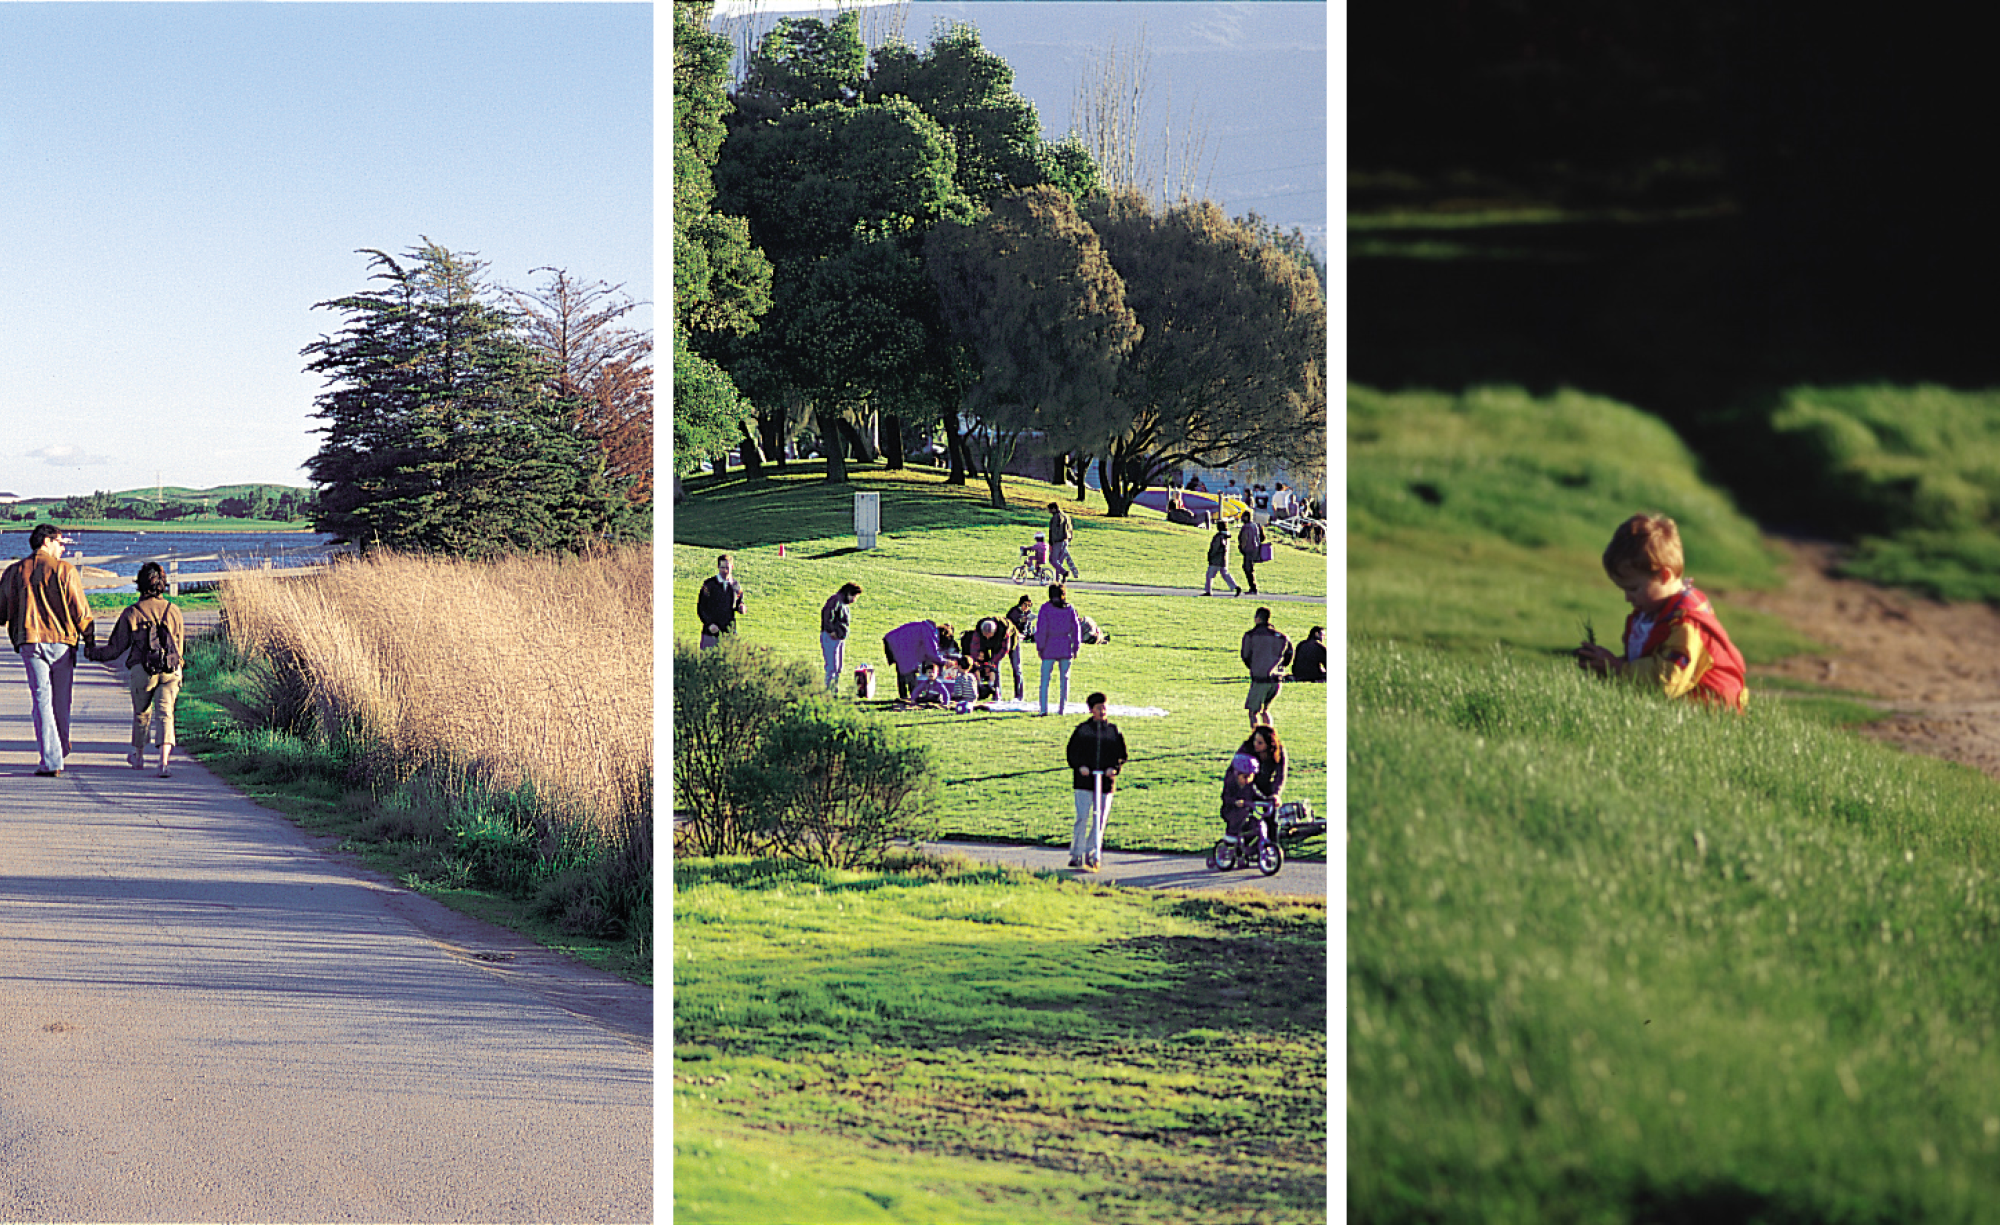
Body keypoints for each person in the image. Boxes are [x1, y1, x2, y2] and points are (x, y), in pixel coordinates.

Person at [1575, 512, 1749, 711]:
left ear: (1664, 575)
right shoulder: (1654, 613)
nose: (1627, 598)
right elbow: (1647, 661)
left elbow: (1668, 679)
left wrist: (1618, 669)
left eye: (1633, 589)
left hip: (1710, 709)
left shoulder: (1685, 623)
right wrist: (1606, 667)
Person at [0, 525, 94, 776]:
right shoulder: (65, 570)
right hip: (62, 642)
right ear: (47, 541)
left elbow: (1, 611)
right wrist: (90, 638)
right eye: (60, 542)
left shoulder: (14, 571)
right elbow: (80, 609)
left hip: (30, 640)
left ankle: (51, 758)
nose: (62, 548)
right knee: (61, 700)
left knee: (41, 699)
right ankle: (59, 747)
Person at [85, 560, 185, 776]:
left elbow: (115, 649)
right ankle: (164, 762)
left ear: (139, 584)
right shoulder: (174, 610)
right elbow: (180, 646)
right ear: (163, 585)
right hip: (170, 669)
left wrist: (92, 652)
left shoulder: (132, 613)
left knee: (142, 713)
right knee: (166, 713)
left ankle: (138, 757)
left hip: (143, 670)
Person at [1064, 692, 1128, 872]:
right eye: (1099, 707)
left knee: (1100, 819)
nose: (1103, 710)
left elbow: (1121, 754)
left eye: (1105, 707)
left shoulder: (1113, 731)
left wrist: (1114, 768)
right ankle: (1076, 853)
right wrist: (1080, 766)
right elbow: (1072, 753)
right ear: (1091, 710)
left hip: (1106, 782)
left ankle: (1093, 853)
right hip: (1084, 781)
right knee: (1082, 817)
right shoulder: (1082, 730)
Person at [1034, 583, 1083, 716]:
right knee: (1064, 679)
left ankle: (1043, 709)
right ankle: (1062, 709)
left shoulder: (1045, 608)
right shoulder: (1070, 609)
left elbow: (1042, 629)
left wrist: (1040, 647)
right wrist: (1076, 647)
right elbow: (1076, 629)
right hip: (1065, 646)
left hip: (1049, 646)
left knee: (1045, 680)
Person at [1241, 606, 1293, 728]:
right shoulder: (1281, 637)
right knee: (1265, 710)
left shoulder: (1251, 635)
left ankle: (1257, 740)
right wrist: (1281, 667)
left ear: (1258, 619)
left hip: (1261, 678)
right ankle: (1271, 738)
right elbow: (1289, 655)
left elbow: (1245, 656)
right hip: (1277, 679)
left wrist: (1255, 667)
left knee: (1253, 712)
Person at [883, 618, 950, 700]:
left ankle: (904, 697)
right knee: (909, 670)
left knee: (902, 672)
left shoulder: (925, 628)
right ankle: (914, 697)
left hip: (891, 640)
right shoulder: (929, 632)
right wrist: (944, 662)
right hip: (899, 645)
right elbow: (931, 652)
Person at [819, 581, 863, 695]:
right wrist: (831, 631)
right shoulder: (835, 600)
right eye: (854, 597)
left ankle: (834, 690)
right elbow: (827, 614)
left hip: (839, 638)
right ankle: (829, 692)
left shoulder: (844, 604)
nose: (854, 600)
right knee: (832, 666)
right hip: (831, 637)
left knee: (838, 667)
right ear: (849, 593)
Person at [1218, 751, 1261, 861]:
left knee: (1256, 825)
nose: (1247, 780)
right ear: (1237, 774)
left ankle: (1250, 849)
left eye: (1250, 777)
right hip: (1231, 812)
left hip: (1246, 814)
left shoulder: (1250, 786)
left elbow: (1257, 795)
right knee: (1238, 819)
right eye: (1244, 777)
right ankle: (1230, 842)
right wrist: (1235, 802)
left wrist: (1268, 799)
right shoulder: (1231, 785)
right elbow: (1226, 797)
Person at [960, 616, 1016, 700]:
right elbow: (974, 647)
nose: (987, 638)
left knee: (1015, 667)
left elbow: (1005, 649)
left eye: (989, 636)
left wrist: (993, 661)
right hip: (995, 643)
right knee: (992, 668)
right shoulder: (978, 631)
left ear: (994, 632)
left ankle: (1017, 696)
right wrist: (975, 661)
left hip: (1011, 640)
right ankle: (992, 693)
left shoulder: (1004, 631)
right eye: (985, 636)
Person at [697, 554, 745, 649]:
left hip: (729, 630)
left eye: (727, 567)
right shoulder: (709, 585)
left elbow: (739, 602)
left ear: (732, 567)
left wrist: (741, 607)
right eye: (722, 567)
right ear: (718, 567)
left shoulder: (736, 586)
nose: (725, 571)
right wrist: (709, 624)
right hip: (710, 632)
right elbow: (701, 608)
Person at [1003, 595, 1035, 701]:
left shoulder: (1029, 614)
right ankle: (997, 693)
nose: (1027, 607)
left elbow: (1027, 630)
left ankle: (1019, 695)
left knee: (1017, 668)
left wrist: (1026, 632)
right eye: (1025, 604)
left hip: (1019, 639)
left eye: (1029, 605)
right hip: (1009, 639)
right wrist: (1020, 622)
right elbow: (1010, 625)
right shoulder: (1014, 612)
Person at [1204, 523, 1242, 596]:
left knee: (1210, 575)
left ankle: (1208, 591)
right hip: (1223, 559)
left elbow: (1215, 547)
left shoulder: (1219, 536)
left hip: (1216, 559)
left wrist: (1210, 555)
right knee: (1225, 574)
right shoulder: (1226, 536)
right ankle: (1235, 586)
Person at [1046, 502, 1081, 579]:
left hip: (1058, 541)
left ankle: (1064, 573)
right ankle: (1058, 580)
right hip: (1066, 540)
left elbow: (1053, 531)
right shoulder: (1066, 516)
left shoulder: (1056, 517)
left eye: (1050, 510)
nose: (1049, 512)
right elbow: (1070, 528)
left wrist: (1051, 542)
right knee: (1059, 561)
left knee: (1053, 560)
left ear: (1054, 508)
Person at [1238, 514, 1267, 595]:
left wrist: (1241, 548)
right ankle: (1253, 588)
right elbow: (1263, 538)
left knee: (1247, 568)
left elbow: (1244, 538)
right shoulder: (1256, 525)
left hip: (1248, 550)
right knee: (1249, 568)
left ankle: (1253, 588)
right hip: (1256, 549)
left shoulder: (1245, 527)